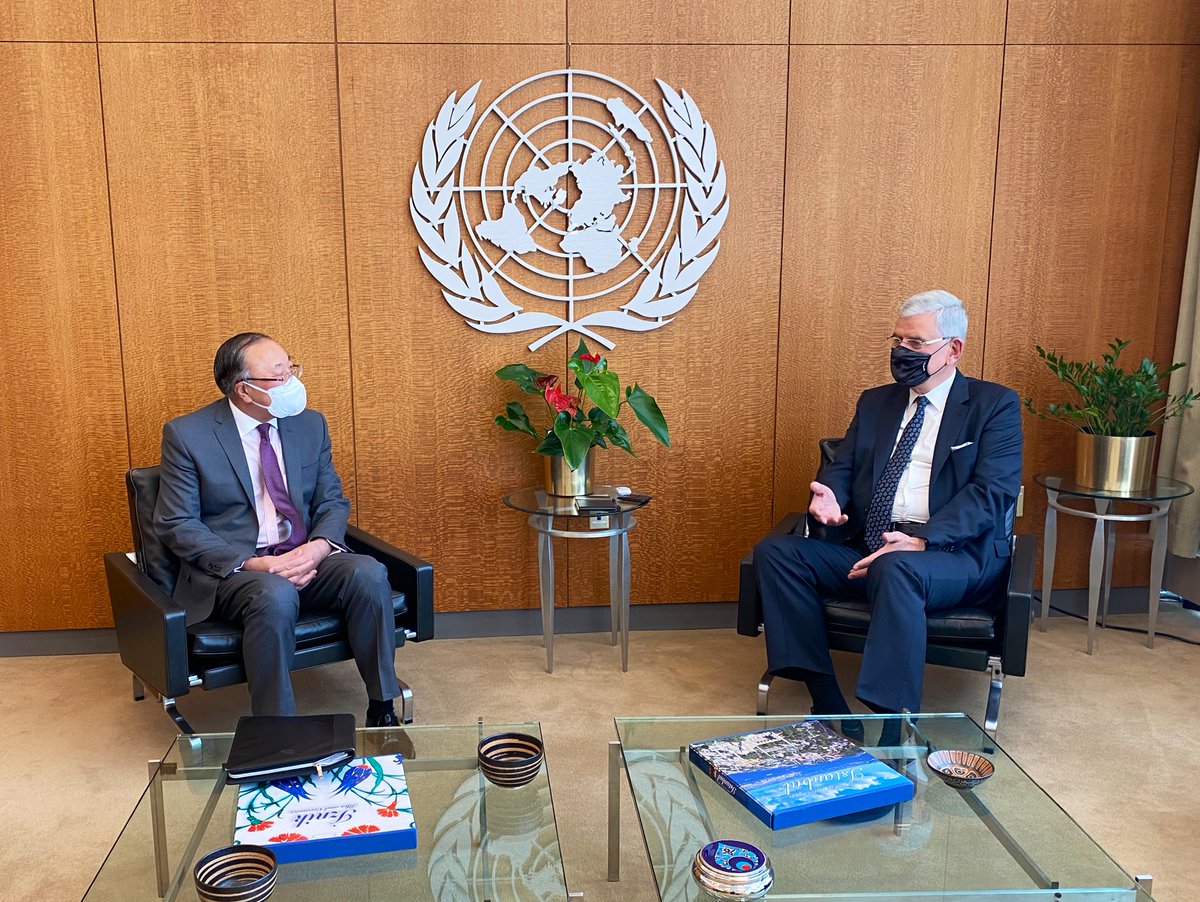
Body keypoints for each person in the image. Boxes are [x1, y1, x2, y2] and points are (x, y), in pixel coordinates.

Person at [754, 290, 1022, 732]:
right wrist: (830, 494)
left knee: (896, 567)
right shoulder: (876, 402)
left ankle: (895, 726)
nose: (901, 351)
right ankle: (828, 703)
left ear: (953, 349)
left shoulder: (994, 406)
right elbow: (845, 465)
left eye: (915, 342)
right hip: (869, 546)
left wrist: (920, 541)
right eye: (897, 340)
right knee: (776, 553)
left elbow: (992, 492)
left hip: (951, 557)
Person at [153, 332, 403, 725]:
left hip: (305, 555)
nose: (292, 383)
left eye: (292, 370)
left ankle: (383, 706)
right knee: (275, 593)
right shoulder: (188, 435)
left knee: (368, 573)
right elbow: (176, 522)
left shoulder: (309, 425)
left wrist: (319, 547)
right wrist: (256, 565)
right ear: (244, 390)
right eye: (279, 376)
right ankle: (277, 729)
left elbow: (332, 501)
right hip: (238, 570)